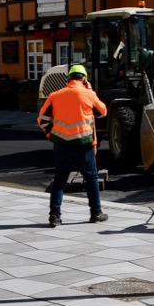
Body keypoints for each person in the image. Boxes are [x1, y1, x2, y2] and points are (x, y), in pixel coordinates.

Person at [38, 64, 108, 226]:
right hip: (83, 146)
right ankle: (95, 213)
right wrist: (91, 91)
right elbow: (103, 111)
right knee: (91, 178)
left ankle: (55, 216)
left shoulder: (55, 95)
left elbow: (42, 120)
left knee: (59, 180)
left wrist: (52, 135)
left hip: (61, 145)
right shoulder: (88, 94)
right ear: (84, 79)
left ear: (68, 79)